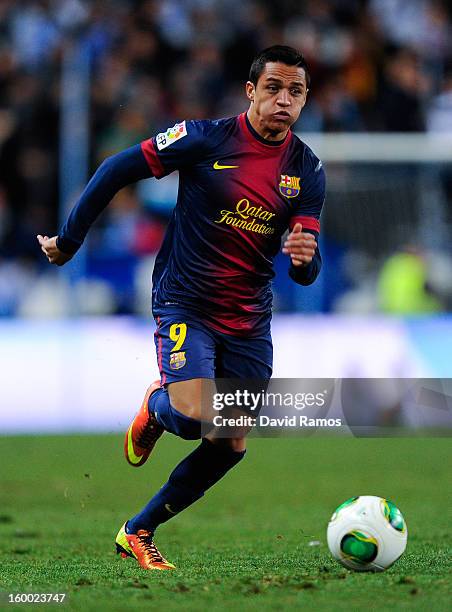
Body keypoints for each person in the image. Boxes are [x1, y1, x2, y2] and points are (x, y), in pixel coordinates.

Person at [37, 45, 325, 570]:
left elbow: (306, 267)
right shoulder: (204, 138)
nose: (284, 100)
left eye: (296, 91)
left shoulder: (306, 169)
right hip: (185, 301)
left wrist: (307, 259)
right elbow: (115, 169)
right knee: (193, 414)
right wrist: (69, 240)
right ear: (250, 92)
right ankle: (159, 405)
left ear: (304, 99)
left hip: (249, 320)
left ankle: (137, 530)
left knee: (230, 441)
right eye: (274, 88)